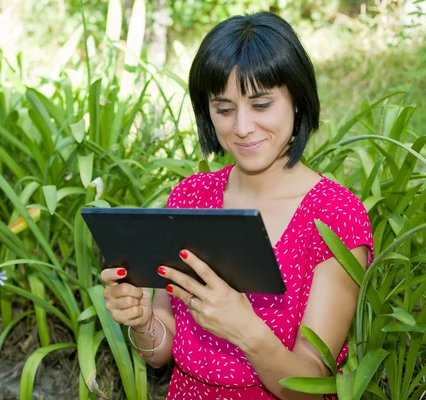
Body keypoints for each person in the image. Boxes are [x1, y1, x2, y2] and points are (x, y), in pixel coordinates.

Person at [100, 11, 373, 400]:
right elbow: (160, 351)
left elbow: (313, 385)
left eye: (261, 104)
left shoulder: (335, 215)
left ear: (297, 100)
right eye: (224, 109)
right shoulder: (190, 198)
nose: (242, 127)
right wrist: (141, 321)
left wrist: (245, 329)